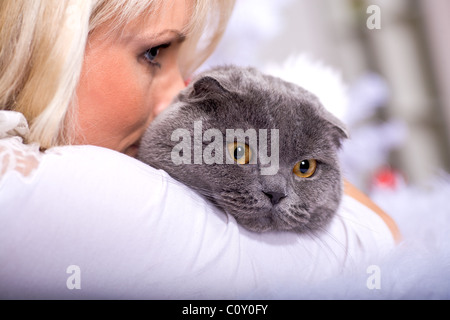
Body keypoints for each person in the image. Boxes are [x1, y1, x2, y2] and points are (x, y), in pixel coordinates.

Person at [0, 0, 400, 299]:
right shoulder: (42, 193)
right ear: (44, 40)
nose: (181, 91)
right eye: (153, 53)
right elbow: (375, 233)